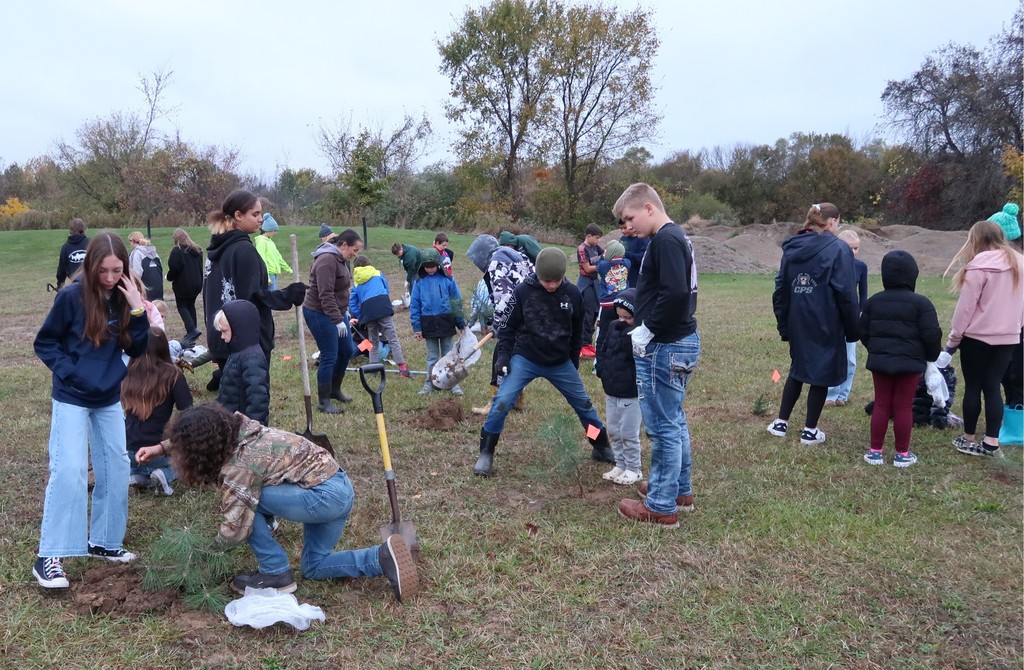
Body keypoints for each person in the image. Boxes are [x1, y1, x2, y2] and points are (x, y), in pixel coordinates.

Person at [135, 402, 419, 601]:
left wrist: (199, 553)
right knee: (314, 567)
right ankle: (381, 557)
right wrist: (162, 446)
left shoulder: (241, 467)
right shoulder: (240, 429)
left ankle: (275, 573)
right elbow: (200, 433)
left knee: (245, 505)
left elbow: (235, 527)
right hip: (337, 485)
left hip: (322, 497)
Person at [31, 232, 150, 589]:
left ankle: (105, 543)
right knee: (69, 470)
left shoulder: (124, 298)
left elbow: (138, 345)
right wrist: (73, 374)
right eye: (105, 271)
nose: (111, 278)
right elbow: (45, 342)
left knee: (116, 465)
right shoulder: (70, 297)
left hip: (108, 397)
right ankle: (48, 556)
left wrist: (136, 307)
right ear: (91, 265)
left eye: (118, 271)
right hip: (71, 396)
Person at [474, 247, 612, 476]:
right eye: (546, 280)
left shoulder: (572, 294)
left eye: (556, 281)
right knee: (502, 401)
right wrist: (504, 357)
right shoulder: (522, 292)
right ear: (537, 274)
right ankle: (486, 453)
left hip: (559, 362)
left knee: (584, 406)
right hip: (526, 357)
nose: (551, 285)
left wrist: (572, 360)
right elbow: (506, 328)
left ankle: (600, 445)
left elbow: (577, 330)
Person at [611, 184, 701, 528]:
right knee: (674, 419)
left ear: (649, 208)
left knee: (662, 426)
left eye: (630, 218)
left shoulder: (665, 240)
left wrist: (650, 329)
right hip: (679, 340)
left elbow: (676, 293)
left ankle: (661, 505)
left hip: (666, 345)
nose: (628, 226)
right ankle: (678, 489)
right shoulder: (674, 238)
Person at [767, 203, 859, 446]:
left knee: (798, 368)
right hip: (826, 320)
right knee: (820, 373)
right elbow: (847, 293)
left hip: (797, 318)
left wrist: (784, 323)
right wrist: (853, 328)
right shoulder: (839, 249)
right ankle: (810, 430)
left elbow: (781, 288)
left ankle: (781, 422)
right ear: (831, 222)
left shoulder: (791, 248)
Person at [203, 190, 306, 393]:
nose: (260, 219)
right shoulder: (243, 250)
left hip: (222, 335)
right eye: (255, 214)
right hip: (247, 341)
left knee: (232, 399)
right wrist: (289, 295)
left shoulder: (215, 250)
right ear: (238, 215)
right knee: (251, 400)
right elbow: (253, 299)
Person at [943, 220, 1024, 457]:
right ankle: (991, 441)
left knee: (974, 387)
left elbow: (965, 309)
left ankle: (969, 437)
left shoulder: (978, 266)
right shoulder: (1020, 263)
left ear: (975, 239)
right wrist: (1017, 327)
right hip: (1009, 337)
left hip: (976, 338)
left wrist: (953, 341)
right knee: (992, 387)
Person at [859, 251, 942, 467]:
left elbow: (863, 331)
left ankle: (875, 452)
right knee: (904, 406)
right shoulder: (922, 304)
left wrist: (875, 349)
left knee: (882, 404)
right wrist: (930, 357)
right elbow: (932, 335)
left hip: (880, 362)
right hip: (911, 363)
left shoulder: (873, 302)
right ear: (913, 275)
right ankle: (902, 454)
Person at [466, 234, 534, 415]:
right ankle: (518, 398)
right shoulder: (517, 256)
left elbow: (504, 298)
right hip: (532, 315)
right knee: (517, 357)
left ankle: (496, 404)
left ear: (482, 254)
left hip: (516, 319)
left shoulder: (496, 263)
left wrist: (500, 324)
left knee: (500, 358)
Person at [122, 327, 193, 494]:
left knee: (139, 463)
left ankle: (138, 475)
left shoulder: (127, 372)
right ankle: (164, 474)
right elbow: (188, 413)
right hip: (157, 449)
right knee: (187, 457)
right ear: (163, 346)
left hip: (128, 450)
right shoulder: (173, 375)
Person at [303, 228, 363, 413]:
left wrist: (343, 314)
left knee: (346, 350)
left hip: (336, 312)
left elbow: (340, 291)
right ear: (344, 245)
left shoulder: (341, 259)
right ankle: (323, 402)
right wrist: (337, 319)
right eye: (354, 250)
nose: (355, 254)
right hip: (319, 313)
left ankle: (335, 390)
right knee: (330, 354)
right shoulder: (327, 260)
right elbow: (325, 294)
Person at [596, 288, 643, 485]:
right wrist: (602, 370)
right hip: (612, 390)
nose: (622, 320)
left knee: (628, 432)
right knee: (614, 430)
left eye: (628, 317)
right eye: (619, 316)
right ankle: (620, 464)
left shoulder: (640, 336)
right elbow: (603, 350)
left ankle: (634, 468)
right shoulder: (613, 328)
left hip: (631, 394)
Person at [410, 247, 465, 396]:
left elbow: (456, 301)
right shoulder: (419, 282)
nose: (429, 270)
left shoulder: (448, 279)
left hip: (446, 321)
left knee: (449, 355)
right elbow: (415, 305)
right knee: (432, 356)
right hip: (428, 323)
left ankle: (453, 384)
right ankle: (430, 382)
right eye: (426, 267)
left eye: (432, 266)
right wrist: (417, 327)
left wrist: (461, 322)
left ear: (439, 264)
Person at [825, 229, 869, 406]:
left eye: (856, 248)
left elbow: (863, 293)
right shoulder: (830, 263)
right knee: (832, 355)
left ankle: (843, 395)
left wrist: (861, 311)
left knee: (850, 359)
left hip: (852, 318)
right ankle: (830, 394)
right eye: (849, 248)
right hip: (833, 318)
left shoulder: (861, 267)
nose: (853, 252)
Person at [349, 255, 410, 377]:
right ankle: (403, 369)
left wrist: (361, 315)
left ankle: (373, 369)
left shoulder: (356, 281)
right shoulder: (377, 273)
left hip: (368, 310)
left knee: (373, 341)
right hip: (382, 306)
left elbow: (352, 302)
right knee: (392, 338)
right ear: (369, 263)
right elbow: (386, 289)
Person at [988, 204, 1023, 412]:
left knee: (1016, 374)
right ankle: (1013, 410)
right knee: (1005, 374)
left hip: (1018, 327)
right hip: (1005, 327)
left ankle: (1017, 412)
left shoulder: (1018, 264)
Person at [214, 300, 271, 426]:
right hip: (231, 421)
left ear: (239, 328)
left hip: (244, 426)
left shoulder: (252, 358)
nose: (222, 337)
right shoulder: (236, 352)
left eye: (224, 331)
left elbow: (258, 399)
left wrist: (254, 428)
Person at [166, 227, 204, 346]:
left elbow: (174, 268)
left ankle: (192, 330)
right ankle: (193, 330)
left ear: (175, 238)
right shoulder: (197, 250)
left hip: (183, 284)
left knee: (182, 306)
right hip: (196, 283)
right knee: (190, 305)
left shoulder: (177, 251)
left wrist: (169, 277)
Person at [595, 239, 631, 361]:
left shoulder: (603, 265)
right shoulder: (627, 263)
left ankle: (601, 358)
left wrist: (603, 256)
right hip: (622, 303)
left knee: (604, 331)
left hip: (607, 305)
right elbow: (625, 259)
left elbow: (598, 265)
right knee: (622, 329)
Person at [576, 223, 604, 359]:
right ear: (589, 236)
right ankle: (582, 344)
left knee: (594, 313)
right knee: (587, 313)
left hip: (595, 283)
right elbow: (587, 268)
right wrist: (602, 265)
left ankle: (588, 342)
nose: (598, 241)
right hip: (585, 283)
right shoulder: (582, 249)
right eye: (597, 238)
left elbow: (603, 254)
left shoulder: (595, 247)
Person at [253, 212, 292, 290]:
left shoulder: (270, 242)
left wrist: (289, 270)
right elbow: (262, 260)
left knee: (275, 296)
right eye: (274, 230)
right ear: (269, 229)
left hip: (274, 274)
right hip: (269, 275)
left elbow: (278, 257)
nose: (275, 233)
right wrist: (267, 277)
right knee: (272, 298)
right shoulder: (261, 242)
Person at [128, 231, 164, 300]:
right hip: (158, 288)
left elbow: (137, 274)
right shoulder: (154, 253)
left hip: (145, 290)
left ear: (132, 241)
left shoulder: (137, 253)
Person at [55, 218, 88, 289]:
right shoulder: (92, 243)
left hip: (76, 284)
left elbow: (61, 270)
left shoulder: (65, 248)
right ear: (83, 229)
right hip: (92, 282)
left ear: (70, 230)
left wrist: (59, 285)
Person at [618, 218, 649, 289]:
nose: (623, 231)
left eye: (625, 228)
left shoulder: (642, 239)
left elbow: (643, 257)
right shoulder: (622, 239)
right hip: (624, 277)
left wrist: (626, 255)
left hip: (637, 277)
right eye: (621, 228)